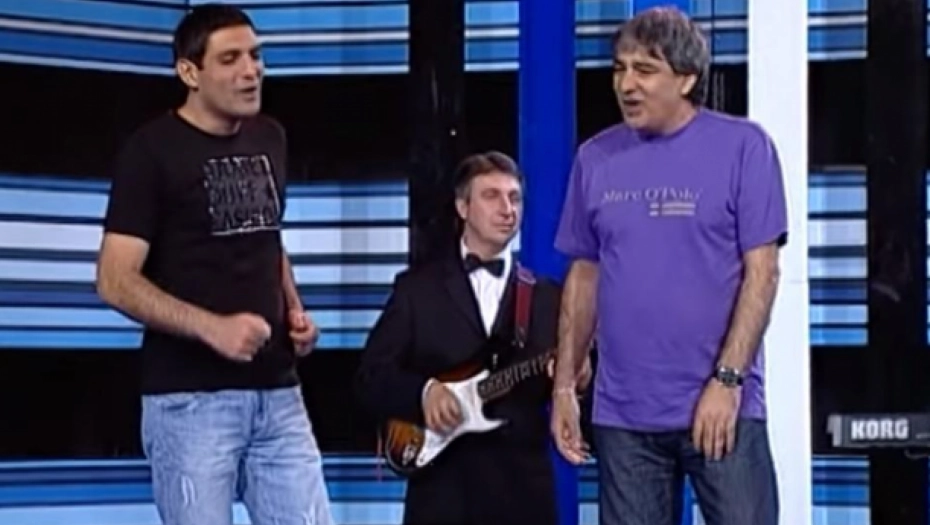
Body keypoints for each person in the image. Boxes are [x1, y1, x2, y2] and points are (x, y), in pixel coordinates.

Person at [95, 5, 334, 525]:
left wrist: (295, 310)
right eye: (230, 59)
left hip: (278, 394)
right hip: (190, 402)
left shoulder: (270, 136)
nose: (251, 71)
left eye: (256, 56)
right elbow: (114, 280)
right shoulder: (150, 151)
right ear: (189, 72)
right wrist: (211, 328)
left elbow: (266, 236)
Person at [549, 7, 785, 525]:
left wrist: (727, 381)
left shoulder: (744, 147)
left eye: (645, 70)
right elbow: (584, 277)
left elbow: (762, 273)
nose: (626, 84)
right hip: (624, 419)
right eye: (619, 69)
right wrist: (565, 387)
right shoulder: (594, 158)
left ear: (687, 79)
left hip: (722, 408)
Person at [355, 151, 590, 525]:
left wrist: (574, 379)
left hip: (522, 493)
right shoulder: (417, 290)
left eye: (514, 198)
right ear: (463, 207)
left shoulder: (548, 297)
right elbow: (371, 377)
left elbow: (572, 388)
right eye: (492, 196)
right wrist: (424, 392)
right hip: (441, 494)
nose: (507, 209)